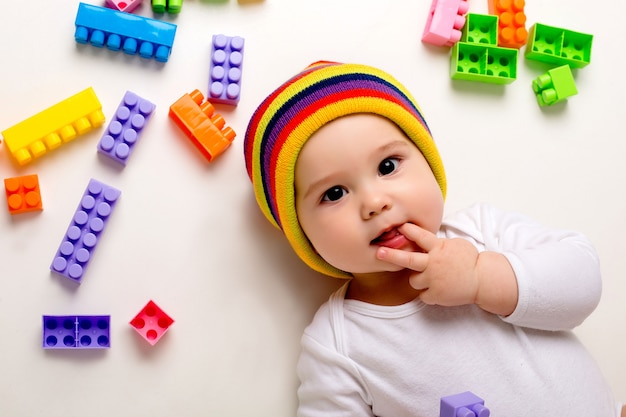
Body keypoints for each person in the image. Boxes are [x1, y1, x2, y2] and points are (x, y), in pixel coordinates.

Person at [243, 61, 623, 416]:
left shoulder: (481, 231)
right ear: (300, 232)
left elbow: (584, 279)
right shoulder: (337, 344)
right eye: (335, 194)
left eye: (387, 166)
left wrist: (481, 276)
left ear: (429, 162)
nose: (374, 203)